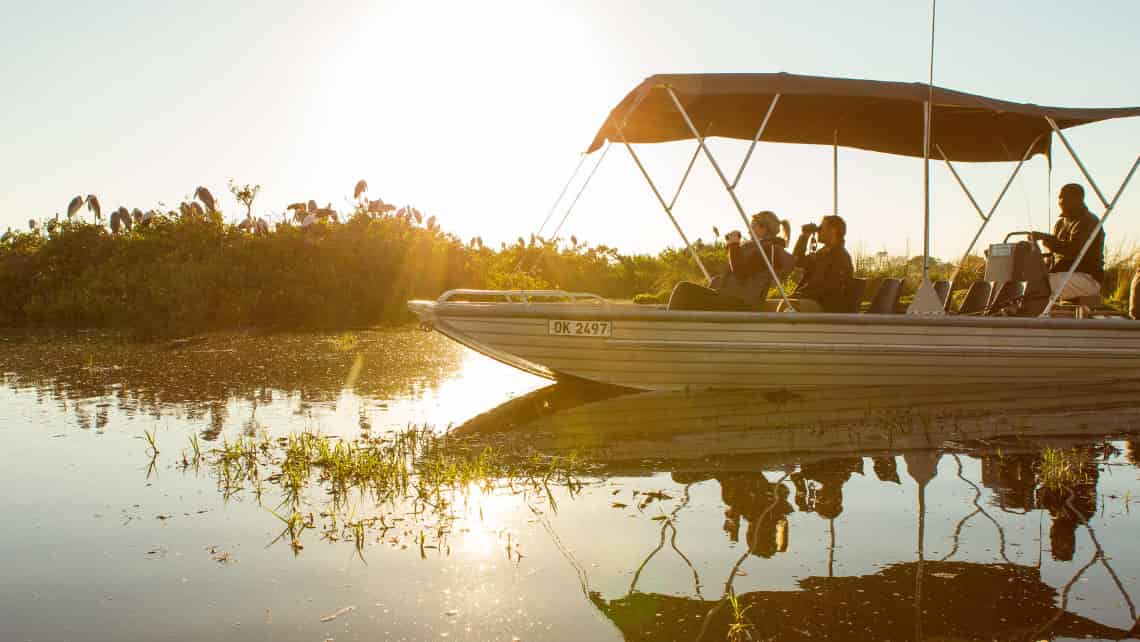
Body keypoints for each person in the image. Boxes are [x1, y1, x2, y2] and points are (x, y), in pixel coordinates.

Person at [667, 211, 795, 311]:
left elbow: (740, 271)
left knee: (683, 290)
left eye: (753, 227)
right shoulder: (757, 248)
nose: (749, 231)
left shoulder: (766, 251)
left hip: (742, 304)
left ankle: (669, 332)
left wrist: (733, 245)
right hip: (734, 299)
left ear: (764, 229)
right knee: (688, 295)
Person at [1029, 183, 1104, 300]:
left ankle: (1033, 316)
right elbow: (1054, 255)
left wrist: (1046, 239)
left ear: (1078, 199)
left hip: (1087, 278)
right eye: (1059, 197)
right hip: (1063, 276)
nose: (1061, 201)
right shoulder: (1060, 223)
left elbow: (1074, 250)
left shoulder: (1088, 221)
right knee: (1028, 280)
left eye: (1065, 197)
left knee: (1039, 286)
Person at [782, 215, 854, 312]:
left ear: (833, 230)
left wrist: (802, 295)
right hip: (813, 301)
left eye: (821, 228)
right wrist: (804, 237)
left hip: (827, 306)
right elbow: (797, 262)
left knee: (787, 305)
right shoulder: (821, 255)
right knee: (769, 304)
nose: (818, 231)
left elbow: (830, 288)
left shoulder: (841, 257)